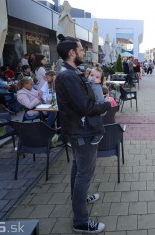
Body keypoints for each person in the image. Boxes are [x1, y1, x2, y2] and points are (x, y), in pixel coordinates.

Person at [54, 34, 111, 234]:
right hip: (82, 131)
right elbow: (85, 106)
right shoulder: (68, 75)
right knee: (84, 173)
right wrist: (106, 104)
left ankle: (79, 198)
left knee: (78, 168)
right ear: (72, 53)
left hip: (78, 129)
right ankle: (80, 221)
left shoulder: (69, 72)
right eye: (80, 49)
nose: (83, 52)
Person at [85, 66, 106, 145]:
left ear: (100, 80)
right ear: (88, 75)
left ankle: (98, 133)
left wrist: (99, 107)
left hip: (98, 105)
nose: (93, 78)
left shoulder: (96, 87)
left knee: (95, 119)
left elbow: (100, 99)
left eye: (97, 77)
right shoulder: (88, 83)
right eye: (92, 75)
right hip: (91, 105)